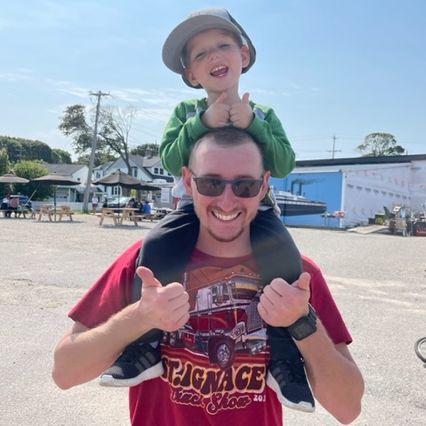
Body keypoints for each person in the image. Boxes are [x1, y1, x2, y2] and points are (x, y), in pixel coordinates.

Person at [52, 129, 364, 425]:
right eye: (211, 184)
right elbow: (65, 372)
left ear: (265, 185)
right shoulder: (145, 264)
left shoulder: (297, 275)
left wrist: (301, 322)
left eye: (244, 186)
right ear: (188, 181)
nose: (227, 202)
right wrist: (140, 317)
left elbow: (347, 408)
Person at [99, 8, 315, 412]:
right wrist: (201, 122)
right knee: (156, 245)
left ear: (244, 56)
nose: (213, 56)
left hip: (257, 212)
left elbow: (284, 164)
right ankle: (144, 347)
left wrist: (255, 124)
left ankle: (285, 360)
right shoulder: (185, 113)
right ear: (191, 75)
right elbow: (168, 159)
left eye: (222, 46)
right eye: (199, 54)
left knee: (286, 259)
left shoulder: (265, 114)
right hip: (192, 209)